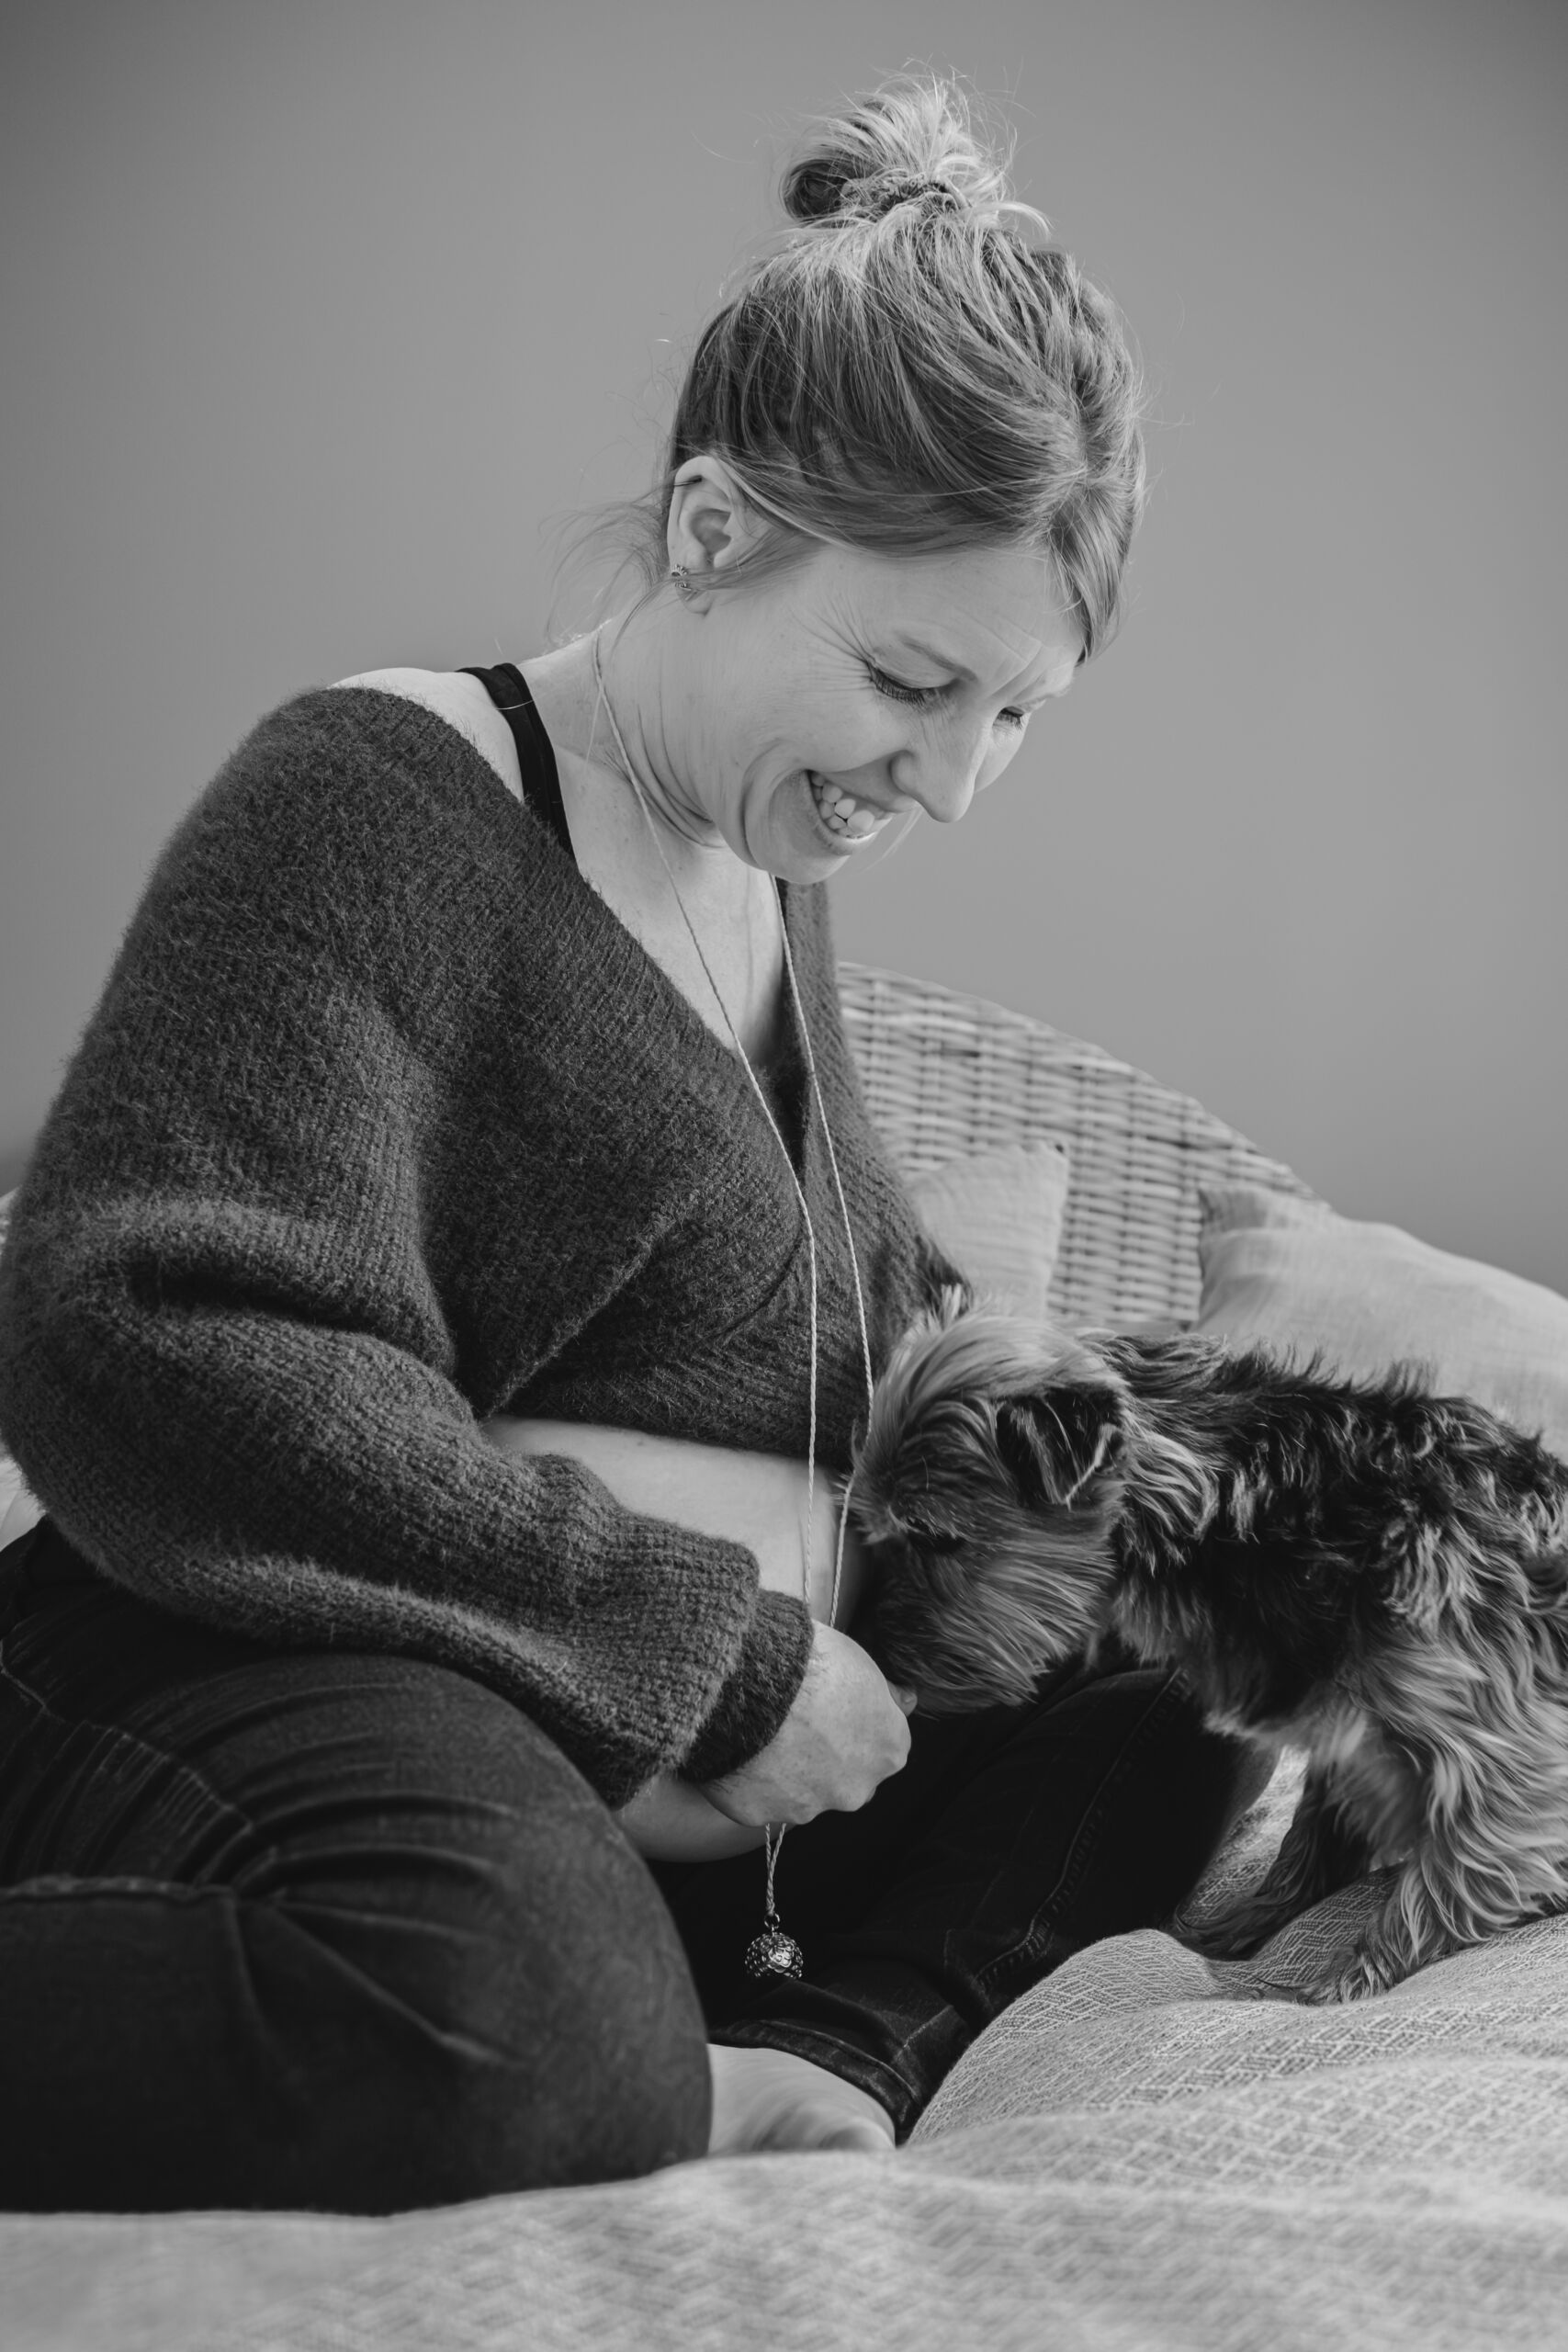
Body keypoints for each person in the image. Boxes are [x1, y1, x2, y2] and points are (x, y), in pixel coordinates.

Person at [0, 77, 1253, 2212]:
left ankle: (806, 2045)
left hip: (603, 1735)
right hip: (259, 1649)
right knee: (507, 2015)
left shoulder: (765, 868)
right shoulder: (379, 799)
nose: (946, 782)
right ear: (704, 531)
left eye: (1013, 715)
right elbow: (155, 1332)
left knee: (1189, 1655)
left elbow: (766, 1336)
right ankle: (623, 2047)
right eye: (904, 677)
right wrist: (723, 1657)